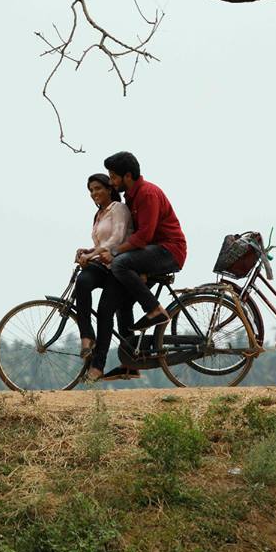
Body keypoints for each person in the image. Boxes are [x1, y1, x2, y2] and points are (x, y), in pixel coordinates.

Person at [87, 151, 187, 380]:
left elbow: (143, 237)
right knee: (123, 301)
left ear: (127, 176)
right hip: (150, 253)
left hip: (169, 251)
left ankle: (155, 310)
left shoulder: (147, 193)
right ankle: (131, 363)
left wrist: (112, 251)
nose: (110, 181)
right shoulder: (132, 195)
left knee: (120, 264)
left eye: (113, 177)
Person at [73, 174, 131, 369]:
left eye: (98, 188)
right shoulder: (98, 215)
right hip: (103, 265)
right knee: (82, 282)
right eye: (90, 190)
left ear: (109, 189)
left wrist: (92, 255)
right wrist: (88, 252)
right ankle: (87, 337)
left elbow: (116, 238)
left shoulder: (119, 209)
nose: (94, 193)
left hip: (120, 267)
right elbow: (101, 245)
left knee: (105, 311)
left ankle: (98, 366)